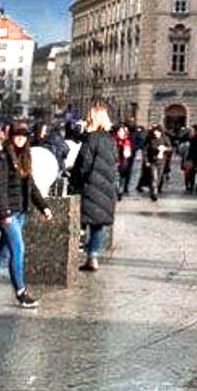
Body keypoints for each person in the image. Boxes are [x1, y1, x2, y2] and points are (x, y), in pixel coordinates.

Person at [0, 120, 51, 307]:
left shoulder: (25, 156)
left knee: (3, 253)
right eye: (17, 135)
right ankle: (21, 292)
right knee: (18, 249)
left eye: (24, 135)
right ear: (11, 136)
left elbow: (31, 186)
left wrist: (43, 206)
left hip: (20, 211)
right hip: (8, 214)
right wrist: (4, 213)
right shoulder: (2, 157)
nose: (20, 139)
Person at [68, 101, 119, 271]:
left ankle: (76, 251)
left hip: (90, 186)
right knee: (98, 224)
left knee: (80, 222)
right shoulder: (111, 140)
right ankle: (93, 257)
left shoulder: (91, 139)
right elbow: (114, 162)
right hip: (106, 187)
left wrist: (74, 182)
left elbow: (84, 164)